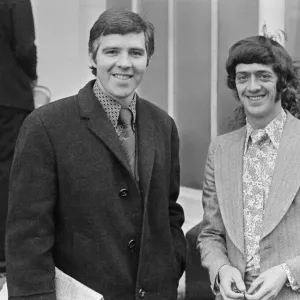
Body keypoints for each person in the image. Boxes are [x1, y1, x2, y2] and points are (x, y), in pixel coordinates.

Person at [5, 8, 186, 300]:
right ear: (93, 57)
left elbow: (168, 211)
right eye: (112, 51)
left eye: (136, 53)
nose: (124, 64)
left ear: (147, 59)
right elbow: (28, 233)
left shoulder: (163, 125)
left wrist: (170, 264)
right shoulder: (46, 126)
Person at [198, 35, 300, 300]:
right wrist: (221, 269)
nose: (252, 86)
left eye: (263, 76)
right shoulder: (220, 149)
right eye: (243, 77)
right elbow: (210, 233)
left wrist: (288, 272)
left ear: (282, 82)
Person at [0, 0, 37, 277]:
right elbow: (24, 46)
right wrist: (32, 76)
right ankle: (5, 255)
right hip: (9, 95)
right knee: (9, 173)